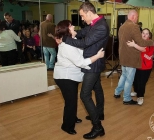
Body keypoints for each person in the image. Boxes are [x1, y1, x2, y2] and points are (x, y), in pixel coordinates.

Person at [56, 2, 109, 139]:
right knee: (97, 89)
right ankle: (99, 114)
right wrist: (72, 33)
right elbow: (82, 33)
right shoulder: (94, 24)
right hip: (93, 63)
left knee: (85, 96)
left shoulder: (101, 26)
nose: (82, 19)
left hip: (93, 66)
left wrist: (65, 38)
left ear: (89, 13)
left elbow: (84, 43)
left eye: (82, 16)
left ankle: (97, 127)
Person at [113, 10, 154, 105]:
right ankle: (126, 98)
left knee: (123, 76)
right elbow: (141, 42)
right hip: (131, 58)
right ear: (134, 16)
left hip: (123, 57)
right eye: (137, 16)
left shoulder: (121, 27)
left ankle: (117, 92)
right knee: (129, 79)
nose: (137, 19)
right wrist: (152, 42)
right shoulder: (134, 27)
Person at [127, 28, 154, 105]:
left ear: (149, 35)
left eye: (146, 33)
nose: (145, 35)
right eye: (143, 33)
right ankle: (136, 91)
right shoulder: (138, 41)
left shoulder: (150, 42)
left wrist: (134, 45)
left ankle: (140, 97)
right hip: (137, 65)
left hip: (146, 67)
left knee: (142, 83)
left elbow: (143, 50)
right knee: (135, 81)